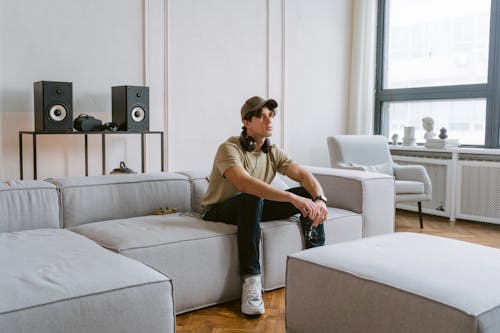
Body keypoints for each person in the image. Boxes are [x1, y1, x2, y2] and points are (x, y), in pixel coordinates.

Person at [201, 96, 328, 316]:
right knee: (252, 195)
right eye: (260, 115)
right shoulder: (229, 148)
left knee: (307, 194)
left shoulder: (272, 151)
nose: (268, 120)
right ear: (246, 122)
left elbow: (303, 175)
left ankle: (317, 262)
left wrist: (319, 199)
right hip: (219, 211)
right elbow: (244, 183)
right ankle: (251, 282)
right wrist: (291, 199)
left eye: (270, 115)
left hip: (253, 207)